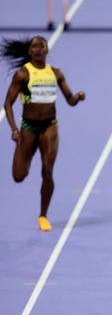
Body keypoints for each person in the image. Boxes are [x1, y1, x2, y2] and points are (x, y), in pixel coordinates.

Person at [2, 36, 85, 231]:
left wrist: (78, 98)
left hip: (50, 127)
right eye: (34, 46)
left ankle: (43, 216)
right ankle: (26, 155)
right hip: (28, 128)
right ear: (29, 52)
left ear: (47, 50)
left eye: (42, 46)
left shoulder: (55, 74)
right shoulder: (23, 75)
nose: (38, 49)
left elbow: (70, 100)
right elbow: (7, 103)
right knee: (18, 176)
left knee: (47, 170)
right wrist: (14, 129)